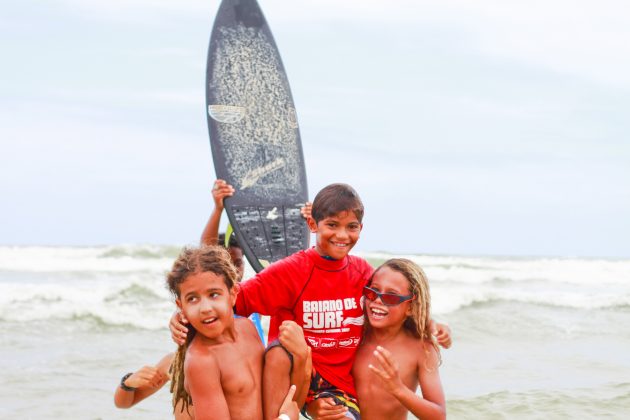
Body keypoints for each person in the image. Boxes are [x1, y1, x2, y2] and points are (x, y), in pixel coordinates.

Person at [171, 183, 451, 420]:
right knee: (279, 353)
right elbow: (226, 297)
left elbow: (391, 302)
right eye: (332, 225)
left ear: (360, 228)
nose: (342, 235)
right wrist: (182, 316)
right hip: (294, 374)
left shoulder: (363, 273)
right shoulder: (291, 271)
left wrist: (429, 322)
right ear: (312, 225)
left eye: (351, 227)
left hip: (338, 388)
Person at [167, 245, 304, 420]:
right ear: (181, 307)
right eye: (192, 299)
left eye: (214, 294)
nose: (205, 308)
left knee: (280, 355)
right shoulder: (201, 362)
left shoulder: (247, 327)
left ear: (233, 294)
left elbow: (277, 399)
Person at [307, 259, 446, 419]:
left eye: (391, 297)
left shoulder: (422, 349)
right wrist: (312, 407)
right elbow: (320, 379)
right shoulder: (351, 336)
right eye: (373, 292)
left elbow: (438, 415)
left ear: (411, 307)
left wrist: (398, 388)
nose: (378, 300)